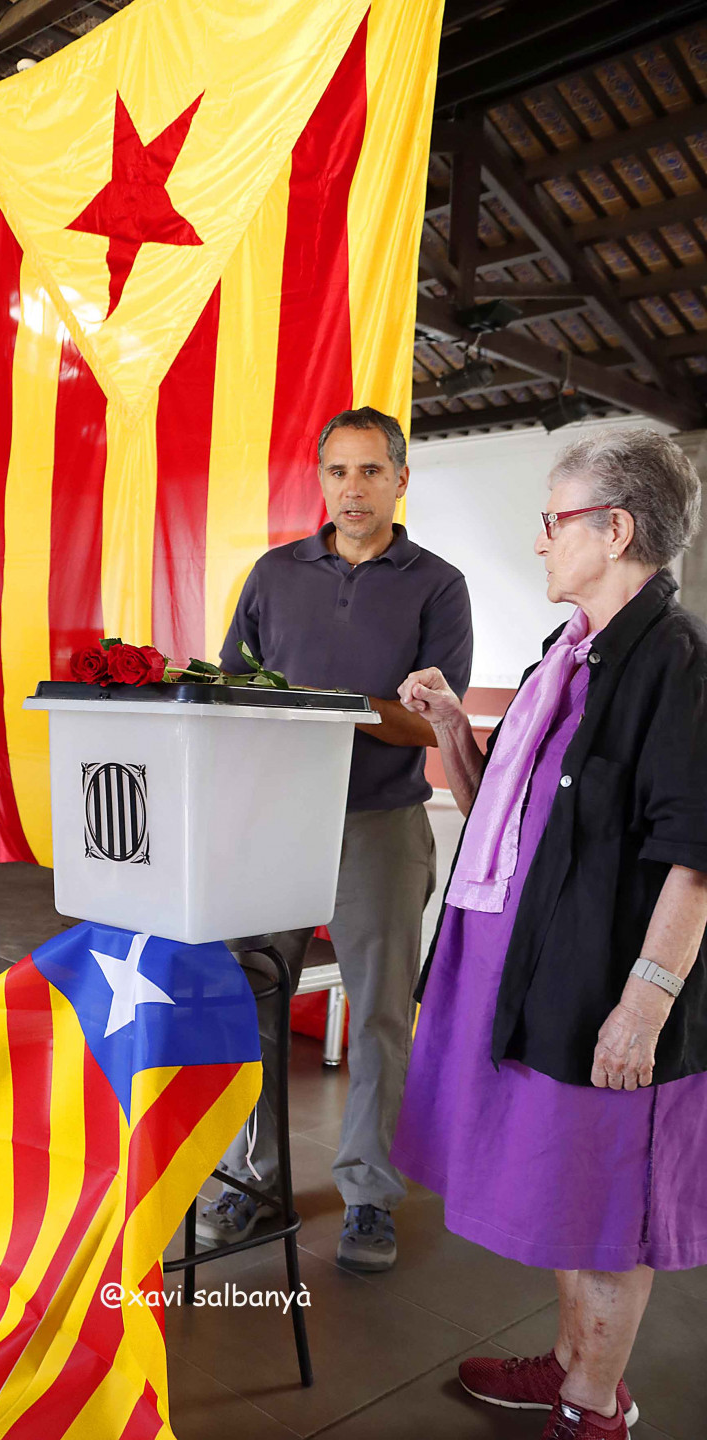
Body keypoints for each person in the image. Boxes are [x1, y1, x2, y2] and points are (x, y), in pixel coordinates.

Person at [391, 427, 707, 1440]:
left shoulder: (675, 662)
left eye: (552, 520)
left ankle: (594, 1404)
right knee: (571, 1181)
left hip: (608, 980)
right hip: (536, 965)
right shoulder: (566, 656)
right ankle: (573, 1362)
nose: (539, 540)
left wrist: (642, 1008)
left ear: (613, 530)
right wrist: (451, 728)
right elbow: (506, 811)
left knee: (609, 1201)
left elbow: (697, 854)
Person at [196, 406, 473, 1270]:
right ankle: (254, 1184)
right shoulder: (273, 573)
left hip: (381, 823)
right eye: (338, 471)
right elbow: (231, 690)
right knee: (255, 1003)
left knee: (383, 1015)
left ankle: (369, 1197)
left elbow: (433, 725)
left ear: (400, 479)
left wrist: (329, 705)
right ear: (320, 479)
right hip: (274, 821)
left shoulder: (438, 585)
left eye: (371, 471)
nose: (353, 489)